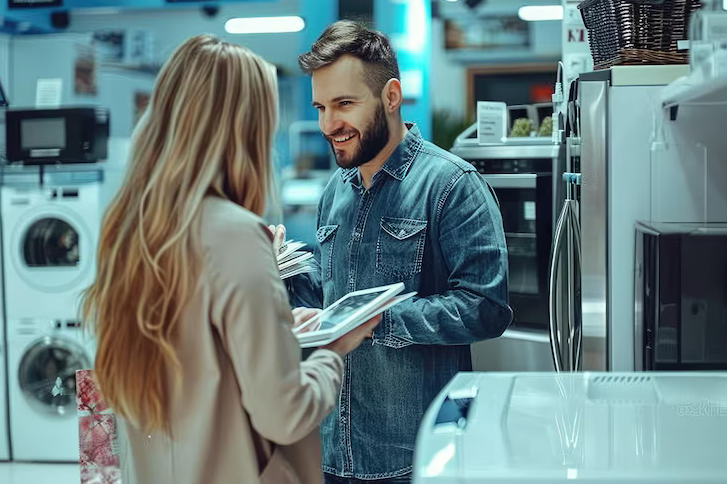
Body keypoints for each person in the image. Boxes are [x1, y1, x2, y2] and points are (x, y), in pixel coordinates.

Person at [80, 34, 378, 484]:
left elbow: (189, 365)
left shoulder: (127, 229)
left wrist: (276, 330)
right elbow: (284, 414)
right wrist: (331, 352)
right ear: (243, 129)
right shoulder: (236, 234)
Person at [276, 21, 513, 484]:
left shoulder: (451, 185)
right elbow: (329, 296)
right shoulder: (335, 191)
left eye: (344, 104)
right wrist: (275, 274)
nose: (329, 125)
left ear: (390, 96)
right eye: (321, 107)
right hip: (335, 451)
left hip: (418, 455)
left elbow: (487, 309)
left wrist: (378, 321)